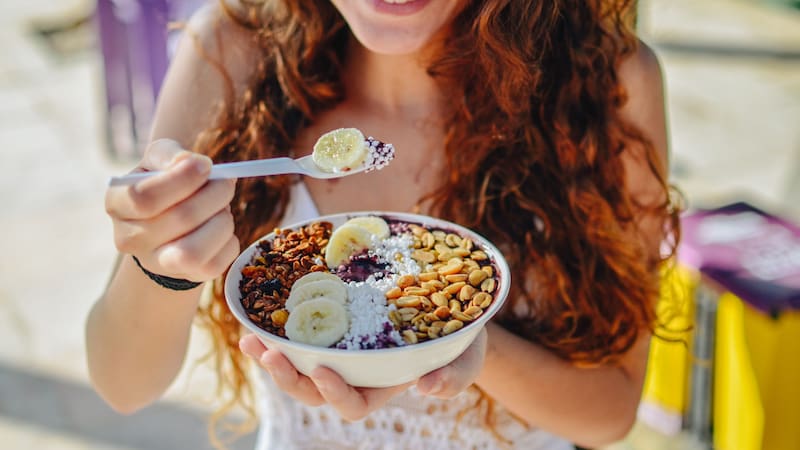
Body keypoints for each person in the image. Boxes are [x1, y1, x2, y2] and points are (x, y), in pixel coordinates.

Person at [86, 0, 681, 449]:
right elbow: (123, 384)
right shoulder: (237, 49)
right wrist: (160, 259)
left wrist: (462, 341)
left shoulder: (607, 82)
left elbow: (611, 410)